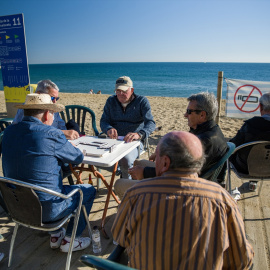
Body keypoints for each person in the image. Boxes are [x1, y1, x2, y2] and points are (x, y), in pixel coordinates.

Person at [111, 131, 254, 270]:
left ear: (165, 162)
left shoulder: (136, 194)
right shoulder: (222, 199)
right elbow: (242, 261)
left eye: (158, 157)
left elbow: (120, 237)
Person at [2, 93, 96, 252]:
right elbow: (78, 158)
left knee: (44, 185)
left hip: (17, 207)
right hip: (48, 211)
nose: (53, 117)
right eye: (53, 113)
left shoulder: (9, 132)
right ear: (47, 114)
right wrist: (71, 148)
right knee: (87, 191)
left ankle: (55, 235)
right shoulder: (52, 134)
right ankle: (70, 240)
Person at [115, 92, 227, 199]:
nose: (185, 115)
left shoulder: (203, 141)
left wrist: (144, 173)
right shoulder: (211, 130)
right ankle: (142, 197)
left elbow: (177, 174)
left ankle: (140, 206)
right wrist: (161, 152)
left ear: (202, 115)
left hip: (183, 190)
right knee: (138, 163)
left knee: (119, 184)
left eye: (189, 111)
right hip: (192, 179)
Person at [100, 76, 156, 178]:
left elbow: (151, 123)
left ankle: (126, 185)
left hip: (134, 142)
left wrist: (139, 134)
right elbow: (104, 121)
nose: (121, 94)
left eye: (124, 91)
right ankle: (121, 171)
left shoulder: (141, 101)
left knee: (126, 159)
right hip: (113, 139)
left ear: (132, 90)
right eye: (118, 91)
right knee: (96, 158)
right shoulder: (111, 101)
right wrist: (108, 128)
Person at [13, 79, 80, 140]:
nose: (55, 102)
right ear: (39, 94)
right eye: (52, 98)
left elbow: (60, 125)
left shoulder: (52, 107)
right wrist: (60, 133)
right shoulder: (27, 109)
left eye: (57, 99)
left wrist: (65, 135)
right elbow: (31, 131)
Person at [230, 92, 270, 189]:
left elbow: (234, 144)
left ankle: (220, 182)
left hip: (245, 168)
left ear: (260, 107)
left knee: (228, 150)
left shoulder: (250, 125)